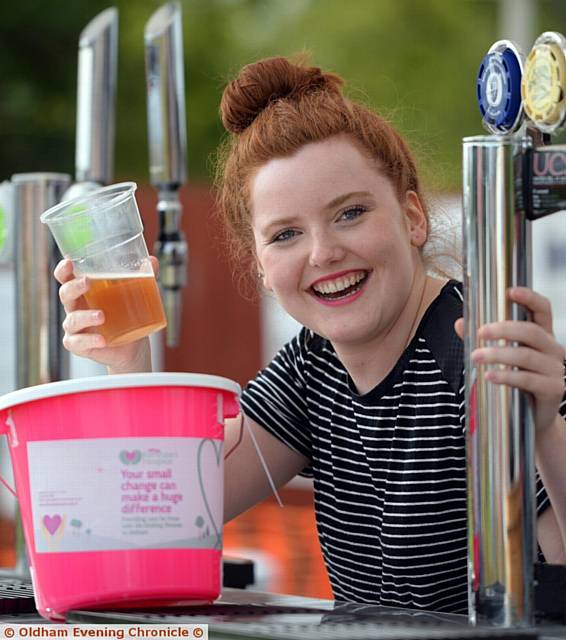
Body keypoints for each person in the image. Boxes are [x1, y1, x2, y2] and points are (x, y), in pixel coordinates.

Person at [54, 56, 566, 614]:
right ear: (260, 267)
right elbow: (171, 510)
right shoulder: (310, 366)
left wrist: (544, 431)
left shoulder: (474, 343)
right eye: (287, 234)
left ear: (412, 217)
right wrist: (129, 360)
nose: (322, 253)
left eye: (350, 214)